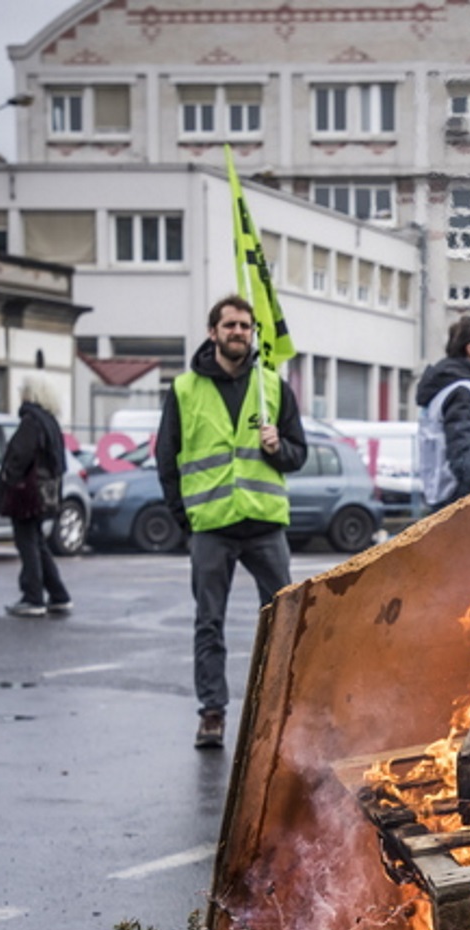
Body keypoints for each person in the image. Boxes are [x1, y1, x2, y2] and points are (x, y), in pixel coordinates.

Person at [157, 295, 308, 749]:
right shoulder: (185, 390)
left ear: (252, 334)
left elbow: (298, 455)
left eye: (245, 326)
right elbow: (166, 459)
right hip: (211, 528)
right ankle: (212, 713)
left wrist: (277, 447)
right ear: (213, 332)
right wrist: (186, 520)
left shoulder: (273, 387)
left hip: (264, 525)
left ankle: (280, 708)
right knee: (209, 623)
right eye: (230, 325)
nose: (238, 332)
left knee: (284, 621)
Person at [0, 380, 73, 618]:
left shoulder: (31, 422)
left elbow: (19, 455)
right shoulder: (50, 422)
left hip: (27, 493)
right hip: (46, 491)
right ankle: (58, 594)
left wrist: (10, 478)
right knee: (37, 541)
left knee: (27, 542)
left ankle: (33, 597)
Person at [414, 316, 470, 511]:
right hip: (467, 504)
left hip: (450, 500)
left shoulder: (447, 389)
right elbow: (464, 460)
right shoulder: (462, 392)